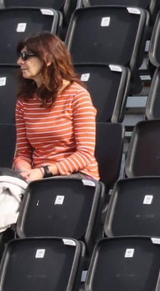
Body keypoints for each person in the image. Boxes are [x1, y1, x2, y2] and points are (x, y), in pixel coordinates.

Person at [11, 33, 98, 182]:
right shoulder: (24, 103)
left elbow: (85, 154)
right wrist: (24, 171)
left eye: (26, 56)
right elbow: (23, 153)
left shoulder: (77, 96)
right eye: (20, 56)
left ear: (48, 59)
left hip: (76, 176)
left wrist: (44, 172)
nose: (20, 61)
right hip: (38, 178)